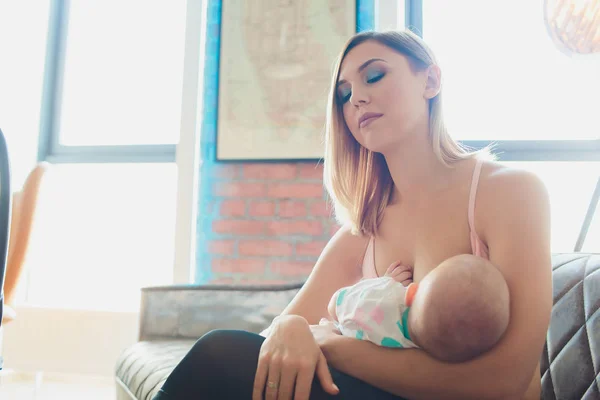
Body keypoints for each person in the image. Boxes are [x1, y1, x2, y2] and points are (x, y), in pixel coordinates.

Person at [153, 29, 552, 400]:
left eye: (374, 76)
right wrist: (291, 327)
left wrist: (331, 346)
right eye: (344, 94)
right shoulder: (360, 234)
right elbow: (273, 339)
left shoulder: (510, 192)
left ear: (430, 81)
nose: (357, 97)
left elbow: (508, 379)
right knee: (226, 357)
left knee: (218, 354)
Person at [327, 254, 510, 363]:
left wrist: (383, 283)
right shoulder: (427, 358)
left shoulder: (383, 298)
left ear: (412, 291)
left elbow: (334, 304)